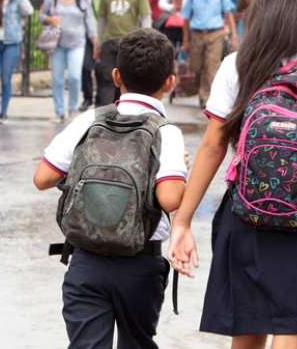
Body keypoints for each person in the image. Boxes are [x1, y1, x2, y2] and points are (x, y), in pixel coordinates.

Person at [169, 0, 297, 349]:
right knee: (293, 333)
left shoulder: (241, 63)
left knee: (246, 338)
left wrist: (182, 222)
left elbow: (214, 144)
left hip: (245, 216)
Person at [33, 28, 186, 349]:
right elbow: (169, 199)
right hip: (141, 266)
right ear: (170, 82)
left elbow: (42, 178)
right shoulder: (166, 132)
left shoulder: (89, 120)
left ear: (116, 76)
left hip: (86, 261)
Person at [40, 0, 98, 123]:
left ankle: (72, 109)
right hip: (57, 43)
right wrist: (50, 20)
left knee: (74, 77)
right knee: (57, 78)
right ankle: (59, 111)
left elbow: (90, 22)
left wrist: (95, 42)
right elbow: (41, 16)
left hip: (77, 43)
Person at [95, 0, 151, 106]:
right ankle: (106, 113)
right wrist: (98, 43)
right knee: (107, 78)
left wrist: (145, 40)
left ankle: (124, 110)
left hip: (129, 42)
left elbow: (145, 17)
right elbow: (101, 19)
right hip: (109, 41)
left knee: (126, 79)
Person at [181, 0, 237, 107]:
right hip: (197, 34)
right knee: (196, 66)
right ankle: (200, 88)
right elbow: (186, 19)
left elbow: (228, 15)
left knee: (211, 65)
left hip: (215, 34)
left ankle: (205, 96)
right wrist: (186, 40)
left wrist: (234, 35)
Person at [79, 0, 105, 112]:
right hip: (88, 36)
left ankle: (100, 99)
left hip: (104, 36)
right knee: (86, 67)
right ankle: (87, 97)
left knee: (102, 69)